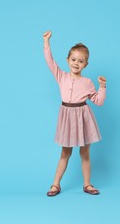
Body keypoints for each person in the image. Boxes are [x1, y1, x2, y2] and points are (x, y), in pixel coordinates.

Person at [43, 31, 107, 196]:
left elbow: (98, 101)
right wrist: (46, 43)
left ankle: (87, 184)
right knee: (65, 153)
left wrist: (102, 87)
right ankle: (55, 184)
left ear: (86, 64)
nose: (76, 63)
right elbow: (50, 62)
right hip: (67, 117)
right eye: (73, 60)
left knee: (85, 153)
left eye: (81, 61)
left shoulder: (87, 82)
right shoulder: (61, 77)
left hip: (84, 117)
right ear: (67, 60)